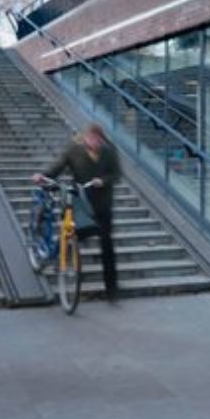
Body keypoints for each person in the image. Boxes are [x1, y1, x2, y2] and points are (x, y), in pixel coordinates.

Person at [34, 124, 122, 303]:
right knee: (73, 234)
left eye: (97, 140)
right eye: (91, 139)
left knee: (107, 244)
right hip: (81, 202)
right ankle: (63, 264)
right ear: (84, 138)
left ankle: (112, 290)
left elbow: (117, 174)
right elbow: (58, 166)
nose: (94, 143)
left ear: (101, 139)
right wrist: (43, 175)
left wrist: (103, 181)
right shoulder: (74, 150)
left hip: (103, 205)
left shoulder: (110, 151)